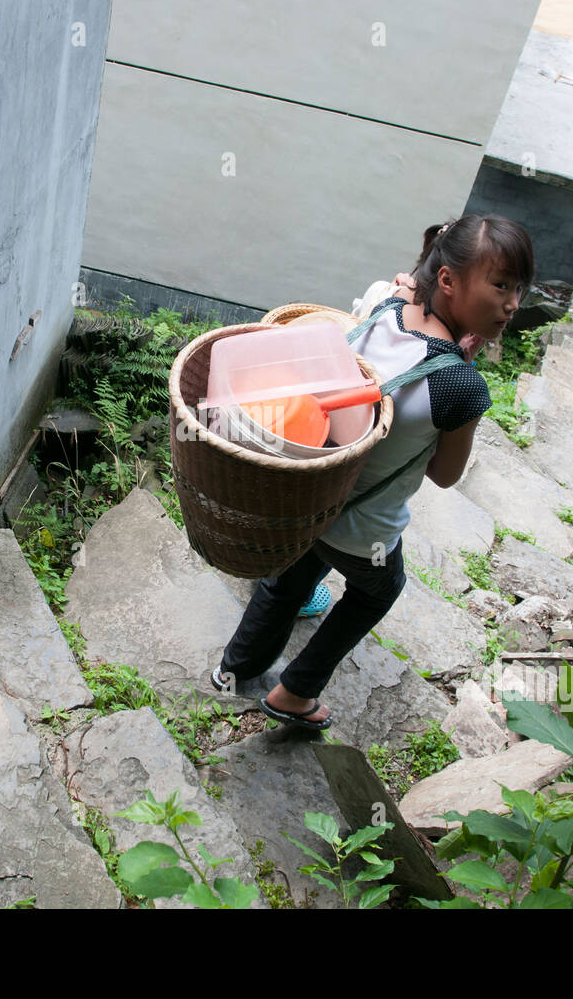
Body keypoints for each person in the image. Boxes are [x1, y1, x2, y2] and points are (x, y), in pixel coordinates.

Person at [211, 214, 535, 729]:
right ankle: (295, 692)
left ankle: (235, 669)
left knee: (291, 577)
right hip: (365, 528)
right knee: (378, 590)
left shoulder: (387, 304)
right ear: (448, 280)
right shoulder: (461, 387)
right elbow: (446, 475)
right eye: (500, 286)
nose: (513, 303)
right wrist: (462, 388)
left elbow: (401, 290)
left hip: (312, 490)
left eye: (519, 288)